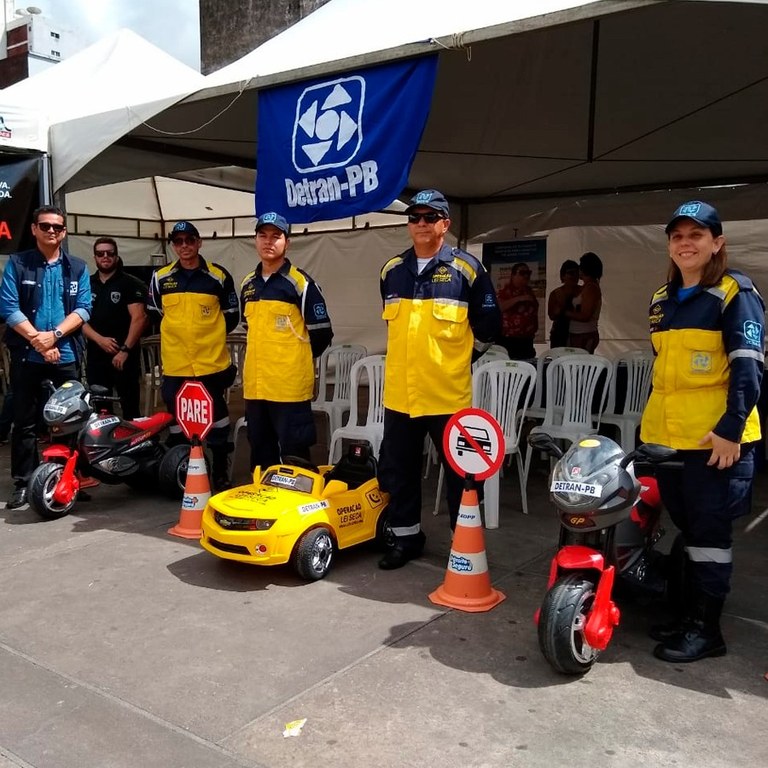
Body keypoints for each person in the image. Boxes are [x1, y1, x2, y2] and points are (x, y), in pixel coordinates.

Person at [640, 200, 764, 663]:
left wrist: (731, 428)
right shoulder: (661, 299)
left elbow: (749, 369)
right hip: (670, 442)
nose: (686, 243)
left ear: (717, 243)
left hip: (716, 445)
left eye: (697, 235)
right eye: (678, 236)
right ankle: (688, 614)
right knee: (690, 532)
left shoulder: (736, 293)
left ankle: (706, 631)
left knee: (711, 539)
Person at [377, 189, 501, 570]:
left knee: (461, 478)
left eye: (430, 217)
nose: (420, 224)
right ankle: (405, 537)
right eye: (414, 217)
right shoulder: (391, 271)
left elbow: (490, 328)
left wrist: (460, 361)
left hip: (448, 398)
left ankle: (462, 544)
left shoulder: (467, 270)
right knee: (401, 472)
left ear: (445, 224)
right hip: (401, 396)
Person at [0, 205, 92, 509]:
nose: (52, 231)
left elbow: (83, 309)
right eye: (46, 226)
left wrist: (55, 337)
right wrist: (39, 341)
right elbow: (9, 308)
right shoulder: (18, 263)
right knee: (25, 421)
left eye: (57, 227)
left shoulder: (77, 267)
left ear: (64, 232)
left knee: (69, 421)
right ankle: (25, 482)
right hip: (28, 354)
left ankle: (67, 479)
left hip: (65, 354)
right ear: (34, 229)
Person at [148, 221, 240, 492]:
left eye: (190, 240)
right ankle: (181, 465)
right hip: (176, 364)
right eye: (178, 241)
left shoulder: (218, 276)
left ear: (200, 242)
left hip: (210, 364)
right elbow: (154, 313)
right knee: (177, 415)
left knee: (217, 414)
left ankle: (221, 467)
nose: (184, 246)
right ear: (173, 245)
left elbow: (232, 316)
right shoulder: (160, 278)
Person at [240, 212, 333, 470]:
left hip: (288, 387)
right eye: (263, 236)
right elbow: (251, 328)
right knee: (260, 451)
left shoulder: (300, 284)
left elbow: (322, 333)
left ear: (287, 242)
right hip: (256, 387)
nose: (268, 242)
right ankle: (263, 505)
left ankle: (298, 508)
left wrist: (295, 360)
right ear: (255, 240)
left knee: (295, 454)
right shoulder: (248, 284)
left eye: (276, 236)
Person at [82, 238, 148, 420]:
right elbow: (79, 319)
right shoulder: (86, 284)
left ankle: (133, 446)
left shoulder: (130, 283)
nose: (105, 257)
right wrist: (99, 339)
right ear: (94, 257)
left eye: (110, 253)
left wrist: (125, 350)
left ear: (117, 256)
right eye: (100, 253)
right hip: (96, 355)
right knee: (100, 410)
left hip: (124, 356)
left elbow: (139, 318)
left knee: (130, 408)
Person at [496, 262, 539, 359]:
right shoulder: (505, 291)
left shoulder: (529, 291)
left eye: (528, 273)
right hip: (509, 340)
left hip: (526, 340)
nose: (526, 276)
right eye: (522, 273)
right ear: (513, 275)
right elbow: (500, 307)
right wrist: (519, 299)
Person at [566, 251, 603, 352]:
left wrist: (565, 312)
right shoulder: (586, 287)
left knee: (580, 364)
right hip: (578, 333)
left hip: (584, 334)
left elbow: (585, 315)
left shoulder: (591, 288)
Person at [547, 259, 580, 347]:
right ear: (563, 275)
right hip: (560, 332)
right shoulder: (556, 293)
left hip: (579, 332)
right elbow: (551, 315)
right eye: (571, 273)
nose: (574, 276)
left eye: (577, 273)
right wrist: (560, 308)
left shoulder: (583, 291)